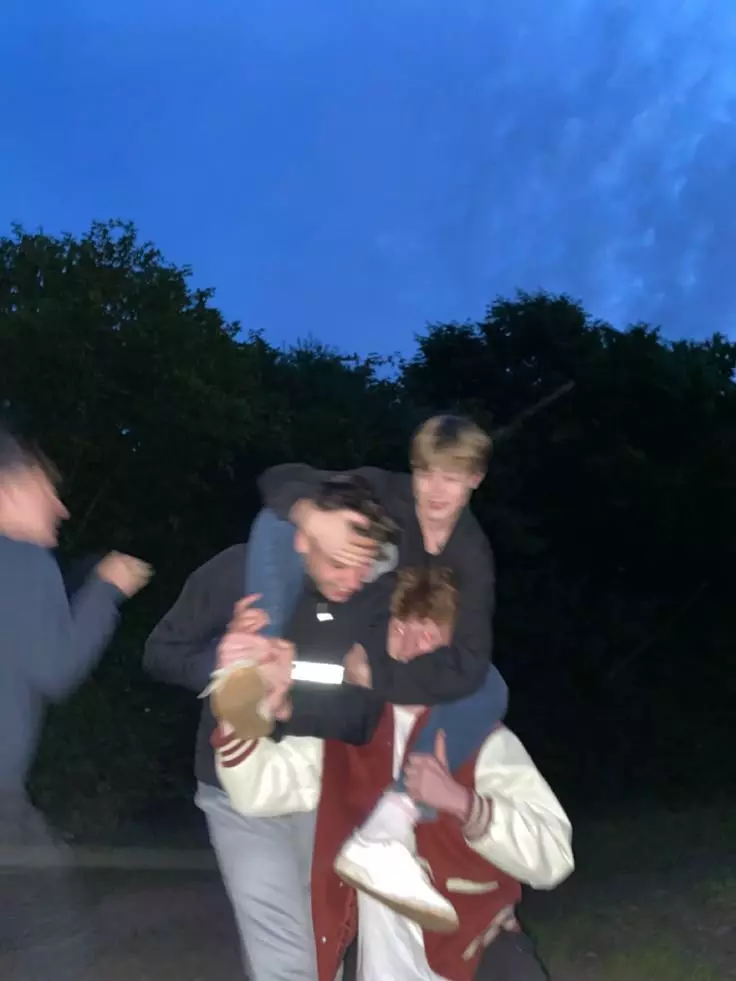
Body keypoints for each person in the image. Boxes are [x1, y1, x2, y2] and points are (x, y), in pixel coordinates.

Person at [215, 567, 573, 981]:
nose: (410, 646)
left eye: (429, 634)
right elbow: (259, 789)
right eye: (400, 628)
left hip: (472, 954)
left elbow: (553, 857)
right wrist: (240, 703)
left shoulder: (484, 741)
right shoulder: (348, 732)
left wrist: (464, 804)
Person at [228, 414, 508, 926]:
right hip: (344, 606)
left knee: (490, 686)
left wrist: (375, 675)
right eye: (426, 473)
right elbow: (279, 479)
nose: (435, 490)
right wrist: (309, 513)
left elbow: (468, 665)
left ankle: (391, 823)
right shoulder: (387, 492)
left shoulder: (473, 557)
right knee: (279, 520)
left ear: (475, 479)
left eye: (450, 477)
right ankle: (260, 659)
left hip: (389, 646)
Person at [144, 476, 399, 981]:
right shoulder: (237, 573)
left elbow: (364, 716)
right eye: (339, 563)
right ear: (302, 538)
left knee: (326, 940)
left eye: (366, 561)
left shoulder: (376, 598)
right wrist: (220, 656)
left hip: (321, 787)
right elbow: (160, 653)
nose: (354, 578)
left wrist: (285, 702)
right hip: (235, 789)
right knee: (284, 956)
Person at [0, 426, 151, 980]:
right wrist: (107, 587)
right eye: (47, 489)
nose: (61, 508)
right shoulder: (21, 558)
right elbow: (55, 667)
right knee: (53, 935)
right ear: (8, 489)